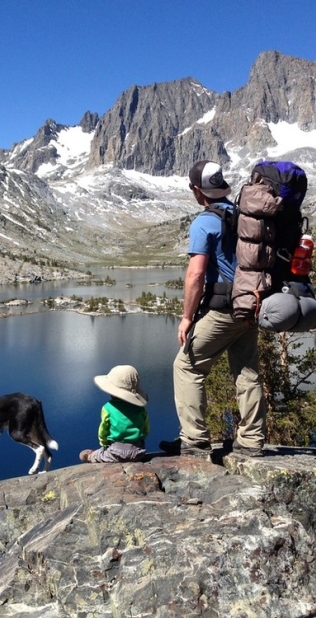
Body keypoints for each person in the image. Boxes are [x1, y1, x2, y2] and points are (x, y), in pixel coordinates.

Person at [160, 160, 266, 457]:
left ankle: (194, 440)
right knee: (246, 370)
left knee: (187, 365)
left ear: (197, 190)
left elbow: (195, 274)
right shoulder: (242, 213)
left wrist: (186, 318)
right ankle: (252, 440)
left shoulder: (205, 221)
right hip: (251, 304)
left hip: (223, 308)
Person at [79, 365, 150, 463]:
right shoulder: (141, 409)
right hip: (138, 452)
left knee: (101, 455)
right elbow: (146, 430)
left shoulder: (107, 408)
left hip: (116, 452)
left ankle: (91, 456)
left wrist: (104, 443)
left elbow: (103, 431)